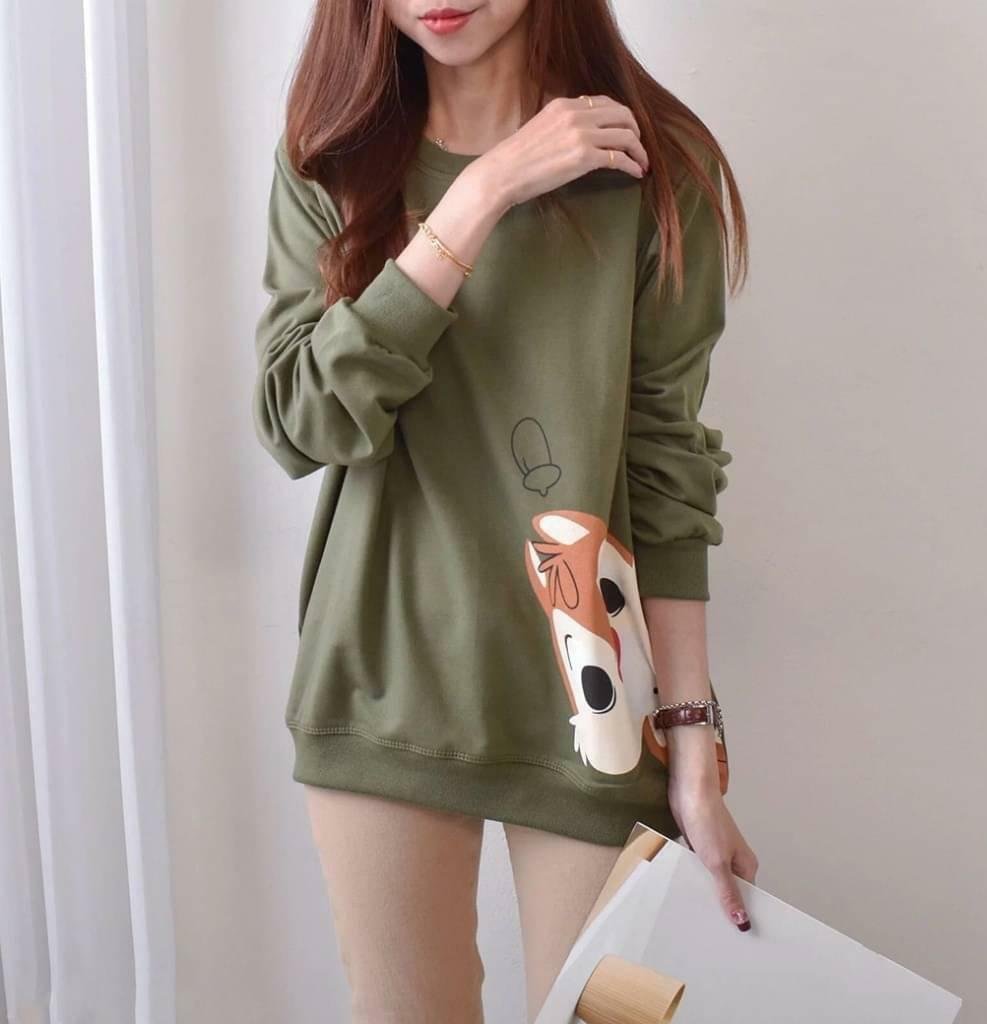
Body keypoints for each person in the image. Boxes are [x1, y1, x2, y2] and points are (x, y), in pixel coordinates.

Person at [251, 1, 758, 1020]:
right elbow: (300, 421)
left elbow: (666, 469)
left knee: (614, 1012)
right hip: (384, 680)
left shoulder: (658, 167)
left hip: (592, 708)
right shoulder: (335, 159)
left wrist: (692, 745)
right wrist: (482, 192)